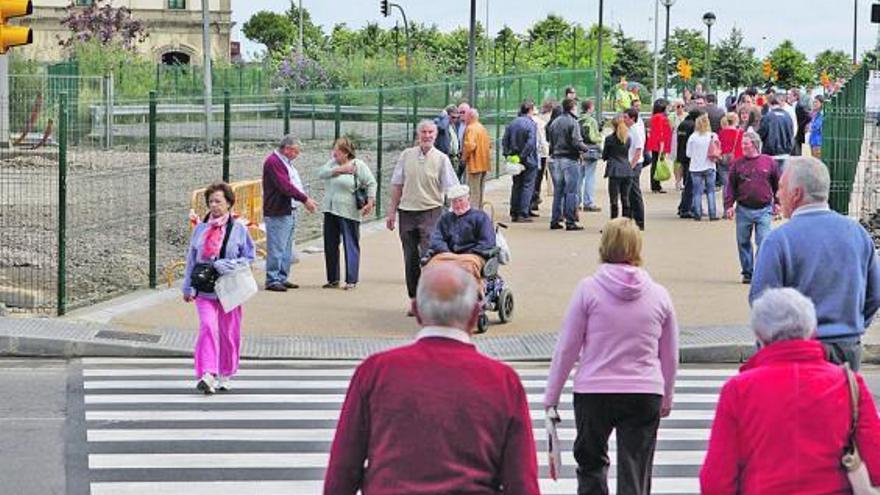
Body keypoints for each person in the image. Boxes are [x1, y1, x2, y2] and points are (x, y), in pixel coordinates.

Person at [324, 263, 540, 495]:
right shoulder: (503, 381)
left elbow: (343, 469)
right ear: (475, 315)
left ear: (417, 311)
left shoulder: (376, 372)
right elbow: (521, 482)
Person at [544, 217, 679, 495]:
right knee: (636, 468)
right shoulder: (659, 295)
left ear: (604, 246)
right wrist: (667, 394)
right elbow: (669, 354)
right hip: (644, 391)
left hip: (594, 390)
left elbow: (567, 348)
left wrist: (551, 397)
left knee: (591, 463)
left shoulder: (588, 290)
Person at [700, 288, 880, 495]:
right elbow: (876, 462)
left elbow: (716, 480)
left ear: (759, 336)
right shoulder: (848, 384)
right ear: (812, 331)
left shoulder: (739, 390)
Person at [750, 156, 880, 370]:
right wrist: (853, 326)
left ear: (797, 193)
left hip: (796, 352)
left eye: (781, 187)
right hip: (846, 348)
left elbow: (761, 300)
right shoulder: (857, 234)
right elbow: (875, 294)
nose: (777, 194)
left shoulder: (779, 240)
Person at [182, 182, 256, 394]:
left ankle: (226, 371)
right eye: (211, 201)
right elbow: (191, 259)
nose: (214, 206)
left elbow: (249, 257)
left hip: (230, 289)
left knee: (229, 332)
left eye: (218, 201)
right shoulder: (200, 229)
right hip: (204, 289)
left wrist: (230, 264)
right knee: (207, 327)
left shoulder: (239, 229)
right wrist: (187, 286)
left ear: (229, 204)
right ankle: (208, 372)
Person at [386, 120, 460, 314]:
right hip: (407, 212)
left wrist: (456, 214)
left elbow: (452, 188)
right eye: (423, 132)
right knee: (410, 258)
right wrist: (391, 211)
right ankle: (415, 299)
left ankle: (430, 298)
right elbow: (397, 184)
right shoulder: (406, 155)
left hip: (431, 212)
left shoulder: (442, 159)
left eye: (430, 132)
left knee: (428, 256)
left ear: (435, 135)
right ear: (418, 135)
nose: (427, 136)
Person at [317, 137, 378, 290]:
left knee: (350, 244)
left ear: (346, 153)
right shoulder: (332, 165)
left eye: (337, 152)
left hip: (348, 210)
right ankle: (333, 279)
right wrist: (337, 170)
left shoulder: (358, 165)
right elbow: (320, 173)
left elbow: (371, 182)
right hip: (330, 209)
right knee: (330, 244)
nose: (334, 155)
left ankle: (351, 279)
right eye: (334, 151)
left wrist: (370, 202)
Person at [261, 134, 319, 292]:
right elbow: (284, 186)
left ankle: (281, 277)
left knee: (286, 247)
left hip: (288, 209)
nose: (297, 154)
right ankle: (272, 279)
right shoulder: (274, 162)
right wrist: (304, 199)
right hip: (278, 210)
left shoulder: (284, 162)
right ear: (287, 149)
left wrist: (302, 199)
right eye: (295, 151)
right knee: (277, 246)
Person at [723, 131, 779, 284]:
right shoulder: (737, 164)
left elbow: (776, 184)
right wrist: (729, 205)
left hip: (764, 209)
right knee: (743, 242)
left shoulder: (769, 162)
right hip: (743, 208)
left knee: (764, 241)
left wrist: (778, 202)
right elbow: (731, 187)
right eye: (742, 143)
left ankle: (761, 271)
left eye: (746, 143)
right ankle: (748, 272)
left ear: (754, 144)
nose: (743, 146)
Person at [426, 183, 496, 284]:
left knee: (466, 268)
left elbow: (487, 242)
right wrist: (446, 251)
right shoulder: (445, 218)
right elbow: (436, 239)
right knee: (431, 267)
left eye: (460, 201)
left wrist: (470, 253)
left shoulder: (480, 217)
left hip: (472, 256)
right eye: (454, 202)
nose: (457, 205)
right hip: (447, 254)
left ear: (468, 200)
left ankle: (468, 294)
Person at [547, 97, 589, 231]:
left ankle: (555, 219)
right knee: (571, 191)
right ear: (572, 107)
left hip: (556, 158)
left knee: (558, 191)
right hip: (570, 159)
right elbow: (576, 141)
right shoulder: (573, 122)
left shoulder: (555, 122)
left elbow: (551, 142)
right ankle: (570, 221)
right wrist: (585, 148)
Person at [503, 100, 539, 223]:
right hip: (528, 160)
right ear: (530, 110)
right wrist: (523, 156)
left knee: (517, 185)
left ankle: (514, 211)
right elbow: (531, 143)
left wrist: (508, 154)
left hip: (514, 159)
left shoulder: (512, 123)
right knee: (527, 186)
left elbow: (505, 140)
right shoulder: (531, 124)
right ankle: (523, 213)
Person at [686, 114, 720, 221]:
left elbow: (688, 154)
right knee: (710, 191)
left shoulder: (693, 137)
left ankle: (697, 213)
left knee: (697, 191)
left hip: (695, 167)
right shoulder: (712, 135)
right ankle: (712, 213)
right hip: (709, 166)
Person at [603, 115, 633, 220]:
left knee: (614, 199)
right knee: (625, 198)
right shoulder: (627, 139)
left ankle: (614, 222)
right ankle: (626, 222)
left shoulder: (609, 139)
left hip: (614, 170)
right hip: (627, 169)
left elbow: (604, 156)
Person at [462, 108, 491, 207]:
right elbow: (489, 145)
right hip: (484, 164)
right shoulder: (482, 128)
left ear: (470, 117)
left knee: (473, 192)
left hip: (474, 165)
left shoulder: (471, 128)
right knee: (480, 191)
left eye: (465, 116)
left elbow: (470, 145)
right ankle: (479, 211)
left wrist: (464, 157)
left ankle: (472, 214)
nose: (464, 118)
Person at [757, 94, 794, 174]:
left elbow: (761, 134)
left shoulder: (767, 117)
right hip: (785, 153)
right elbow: (791, 133)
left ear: (769, 104)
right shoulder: (788, 116)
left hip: (770, 153)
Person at [623, 108, 647, 230]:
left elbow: (638, 150)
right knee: (629, 193)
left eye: (626, 117)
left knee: (634, 192)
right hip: (630, 162)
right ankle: (631, 218)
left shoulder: (636, 130)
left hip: (635, 164)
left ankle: (639, 221)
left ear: (632, 118)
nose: (624, 119)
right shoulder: (630, 129)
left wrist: (631, 166)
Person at [578, 99, 603, 211]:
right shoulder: (591, 121)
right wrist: (599, 138)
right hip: (591, 150)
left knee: (579, 177)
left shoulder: (577, 119)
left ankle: (577, 202)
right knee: (590, 176)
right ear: (589, 108)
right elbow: (593, 137)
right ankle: (589, 202)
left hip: (580, 150)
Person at [676, 109, 701, 218]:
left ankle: (683, 206)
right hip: (690, 157)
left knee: (687, 183)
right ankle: (686, 208)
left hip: (681, 155)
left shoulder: (682, 124)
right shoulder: (693, 126)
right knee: (690, 184)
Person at [531, 99, 554, 212]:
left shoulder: (538, 119)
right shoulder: (542, 122)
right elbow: (543, 140)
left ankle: (534, 199)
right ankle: (535, 198)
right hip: (543, 153)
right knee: (538, 178)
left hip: (536, 153)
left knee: (535, 178)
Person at [645, 98, 672, 193]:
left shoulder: (658, 116)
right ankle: (655, 185)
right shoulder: (659, 117)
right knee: (656, 163)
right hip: (659, 145)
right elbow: (660, 132)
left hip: (659, 144)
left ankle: (656, 184)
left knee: (656, 163)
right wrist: (662, 146)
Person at [716, 112, 744, 194]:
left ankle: (727, 205)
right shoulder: (741, 133)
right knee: (739, 185)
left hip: (723, 160)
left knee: (726, 185)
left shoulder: (721, 132)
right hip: (738, 160)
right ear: (736, 120)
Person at [791, 88, 812, 156]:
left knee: (799, 146)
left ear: (795, 96)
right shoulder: (800, 104)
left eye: (791, 95)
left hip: (800, 128)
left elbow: (807, 116)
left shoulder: (799, 106)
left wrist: (804, 125)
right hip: (800, 128)